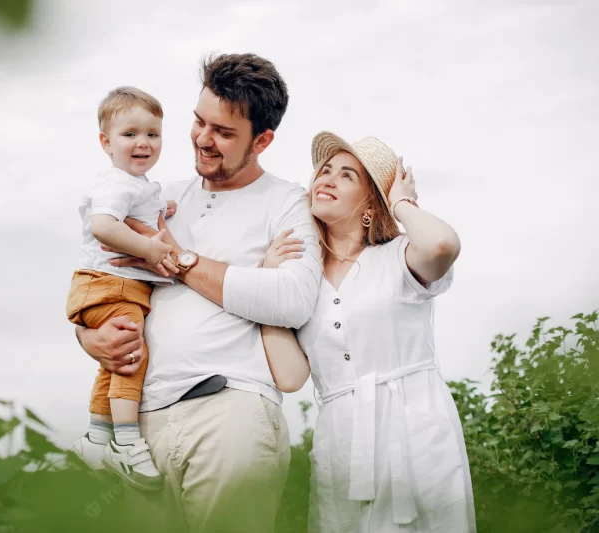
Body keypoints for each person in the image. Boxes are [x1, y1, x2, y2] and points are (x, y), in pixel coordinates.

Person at [75, 53, 324, 532]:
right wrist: (89, 339)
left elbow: (292, 299)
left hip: (227, 413)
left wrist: (182, 260)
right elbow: (96, 275)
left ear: (263, 140)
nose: (203, 139)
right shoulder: (156, 194)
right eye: (198, 121)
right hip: (136, 429)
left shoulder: (286, 201)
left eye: (225, 133)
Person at [260, 132, 476, 532]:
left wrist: (401, 202)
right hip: (341, 442)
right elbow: (290, 377)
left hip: (414, 429)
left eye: (346, 176)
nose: (326, 178)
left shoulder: (399, 257)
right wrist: (266, 291)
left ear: (369, 203)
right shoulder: (302, 279)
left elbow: (443, 245)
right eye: (324, 171)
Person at [68, 86, 179, 491]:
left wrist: (162, 209)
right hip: (110, 284)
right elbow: (104, 225)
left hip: (104, 288)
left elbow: (135, 207)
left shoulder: (137, 185)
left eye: (153, 134)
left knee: (111, 364)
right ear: (106, 142)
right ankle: (128, 444)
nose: (143, 143)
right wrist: (149, 247)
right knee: (133, 355)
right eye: (130, 134)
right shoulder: (116, 184)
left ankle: (97, 439)